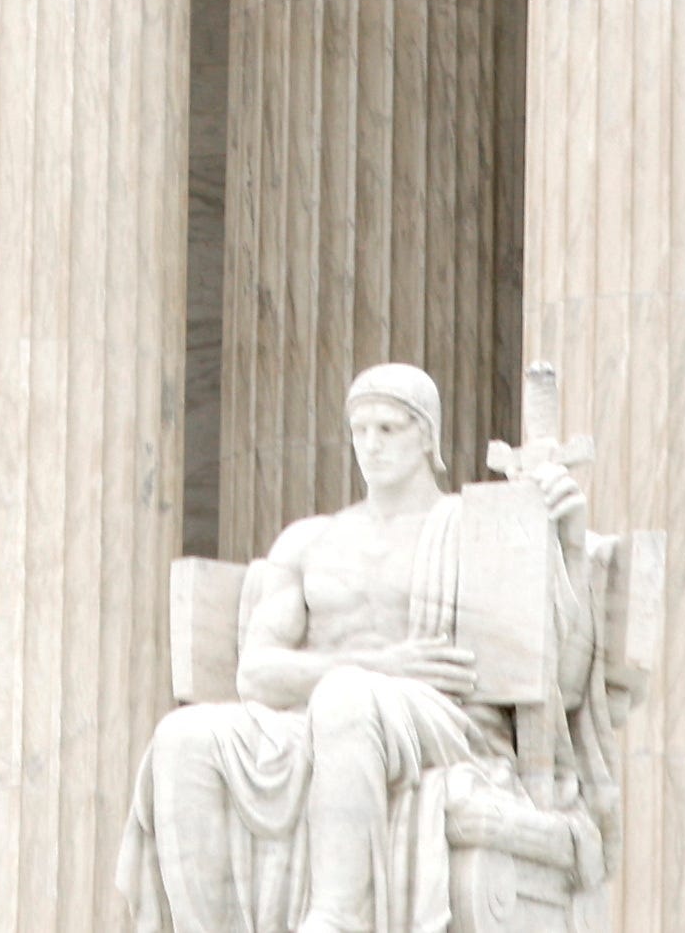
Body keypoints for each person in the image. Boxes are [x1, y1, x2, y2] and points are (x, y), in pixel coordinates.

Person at [123, 364, 593, 933]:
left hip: (442, 720)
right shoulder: (311, 540)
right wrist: (378, 664)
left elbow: (559, 674)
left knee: (345, 699)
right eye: (360, 429)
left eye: (389, 429)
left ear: (427, 435)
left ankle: (336, 916)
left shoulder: (473, 527)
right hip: (317, 718)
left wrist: (566, 541)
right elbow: (256, 673)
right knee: (184, 737)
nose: (370, 444)